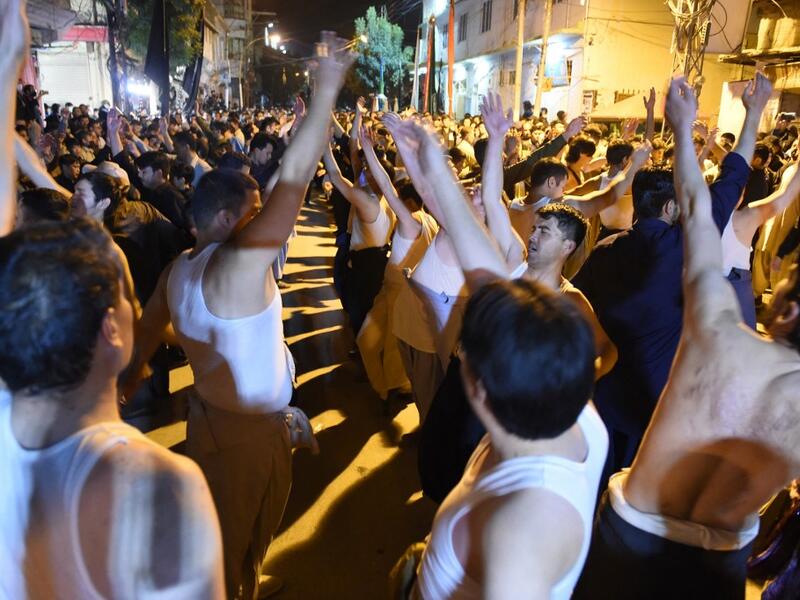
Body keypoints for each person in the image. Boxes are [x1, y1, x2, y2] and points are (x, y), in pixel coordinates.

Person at [126, 33, 354, 599]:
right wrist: (326, 90)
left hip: (220, 422)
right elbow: (295, 185)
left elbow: (150, 326)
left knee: (234, 538)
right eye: (252, 215)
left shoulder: (179, 267)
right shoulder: (230, 268)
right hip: (244, 438)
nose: (262, 225)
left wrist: (128, 378)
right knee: (233, 545)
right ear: (228, 219)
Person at [574, 73, 800, 600]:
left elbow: (700, 208)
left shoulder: (716, 329)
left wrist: (683, 127)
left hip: (631, 536)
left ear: (787, 307)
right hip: (719, 569)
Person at [398, 117, 608, 600]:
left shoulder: (523, 530)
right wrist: (436, 166)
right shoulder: (576, 414)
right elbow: (487, 274)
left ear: (478, 388)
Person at [573, 71, 771, 484]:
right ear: (670, 210)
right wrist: (753, 114)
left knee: (600, 489)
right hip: (664, 403)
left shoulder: (603, 252)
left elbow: (580, 314)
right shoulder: (684, 246)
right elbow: (733, 179)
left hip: (607, 395)